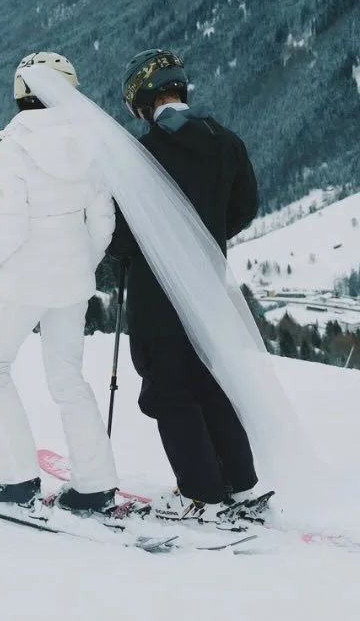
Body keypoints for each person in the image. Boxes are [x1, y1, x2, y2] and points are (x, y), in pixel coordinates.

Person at [0, 51, 119, 513]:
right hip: (73, 282)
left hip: (24, 281)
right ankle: (95, 484)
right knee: (68, 380)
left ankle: (15, 478)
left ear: (21, 91)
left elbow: (13, 229)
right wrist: (82, 261)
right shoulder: (91, 145)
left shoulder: (15, 147)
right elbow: (103, 220)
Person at [108, 48, 260, 512]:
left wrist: (142, 252)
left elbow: (121, 234)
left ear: (141, 100)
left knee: (169, 388)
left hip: (157, 296)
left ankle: (201, 490)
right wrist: (204, 239)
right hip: (208, 285)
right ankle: (238, 479)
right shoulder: (226, 141)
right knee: (208, 380)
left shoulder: (140, 156)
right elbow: (244, 209)